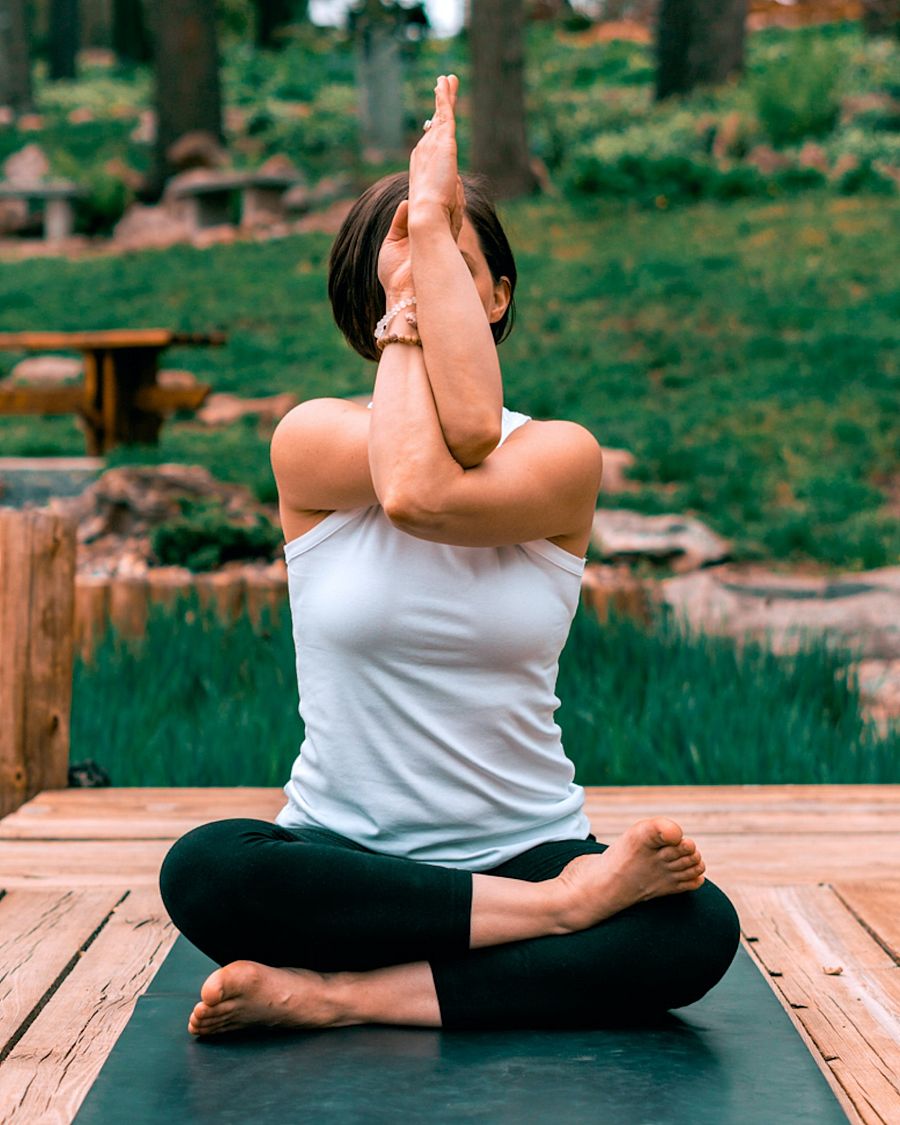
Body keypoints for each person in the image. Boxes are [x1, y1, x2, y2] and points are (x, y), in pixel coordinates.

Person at [159, 75, 740, 1038]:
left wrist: (427, 229)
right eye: (407, 268)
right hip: (347, 860)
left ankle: (342, 996)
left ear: (500, 293)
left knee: (695, 930)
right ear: (370, 297)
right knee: (206, 868)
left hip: (526, 847)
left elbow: (459, 452)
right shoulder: (310, 439)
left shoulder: (560, 455)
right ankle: (553, 921)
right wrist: (568, 905)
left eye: (454, 267)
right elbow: (414, 485)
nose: (427, 285)